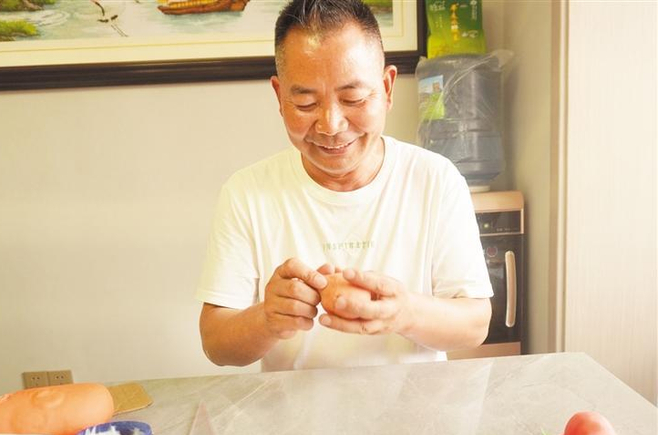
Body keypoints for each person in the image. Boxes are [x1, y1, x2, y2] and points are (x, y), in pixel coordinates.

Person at [195, 0, 493, 371]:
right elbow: (216, 343)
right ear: (279, 97)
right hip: (293, 409)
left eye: (353, 98)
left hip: (416, 406)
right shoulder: (247, 193)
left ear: (387, 88)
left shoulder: (435, 180)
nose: (331, 124)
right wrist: (267, 318)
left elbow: (475, 324)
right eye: (305, 103)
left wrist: (404, 312)